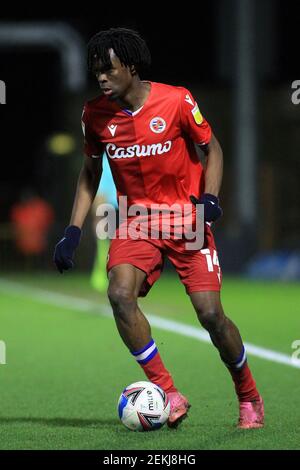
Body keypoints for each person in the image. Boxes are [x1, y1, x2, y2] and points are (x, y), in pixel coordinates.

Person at [54, 28, 264, 429]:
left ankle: (248, 393)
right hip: (134, 222)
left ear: (131, 67)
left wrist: (211, 198)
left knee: (211, 316)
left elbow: (212, 148)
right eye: (96, 70)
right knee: (118, 293)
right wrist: (73, 229)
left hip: (187, 221)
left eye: (109, 69)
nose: (101, 77)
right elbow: (90, 171)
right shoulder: (94, 115)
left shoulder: (177, 100)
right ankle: (167, 391)